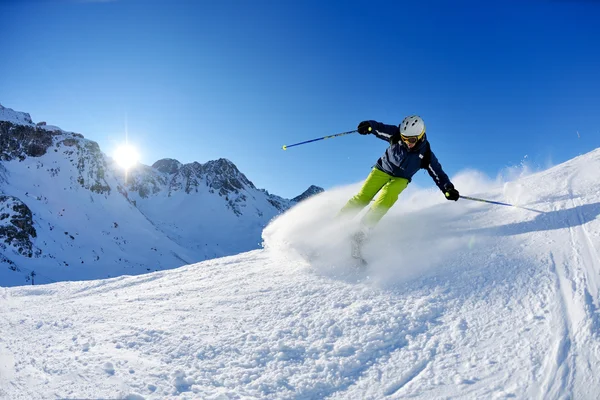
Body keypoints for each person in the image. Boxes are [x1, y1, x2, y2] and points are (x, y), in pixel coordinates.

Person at [338, 115, 459, 258]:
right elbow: (379, 128)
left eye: (412, 140)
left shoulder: (426, 154)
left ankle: (362, 232)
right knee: (363, 197)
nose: (407, 143)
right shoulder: (396, 135)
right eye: (404, 138)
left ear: (420, 137)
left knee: (386, 197)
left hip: (401, 179)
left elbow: (438, 173)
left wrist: (448, 188)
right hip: (382, 169)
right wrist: (369, 126)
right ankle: (337, 224)